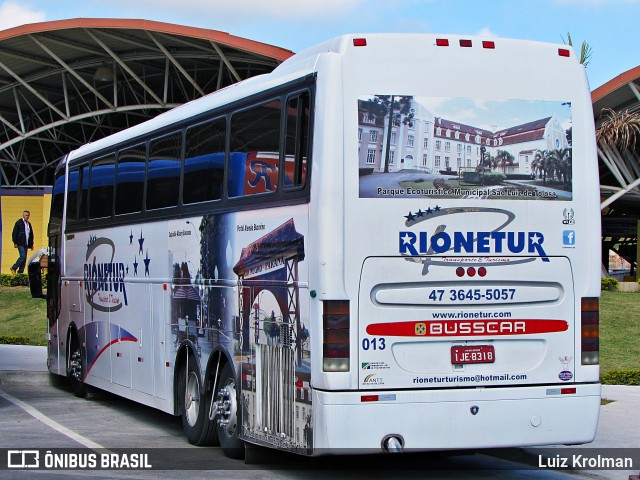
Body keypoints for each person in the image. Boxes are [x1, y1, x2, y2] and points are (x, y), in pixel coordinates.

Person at [10, 210, 34, 274]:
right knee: (22, 256)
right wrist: (15, 242)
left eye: (28, 215)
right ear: (23, 215)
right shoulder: (19, 222)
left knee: (24, 259)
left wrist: (31, 244)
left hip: (26, 243)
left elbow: (31, 234)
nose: (27, 217)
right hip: (20, 243)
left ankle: (20, 272)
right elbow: (14, 233)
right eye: (26, 215)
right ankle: (14, 267)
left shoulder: (29, 224)